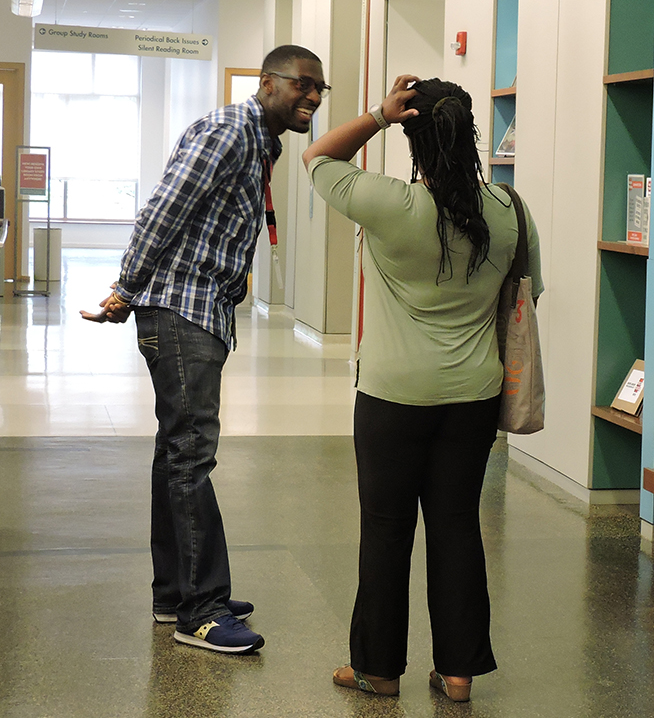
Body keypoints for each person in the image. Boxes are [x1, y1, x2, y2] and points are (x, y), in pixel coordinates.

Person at [303, 74, 543, 701]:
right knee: (458, 525)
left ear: (414, 137)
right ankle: (458, 673)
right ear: (469, 134)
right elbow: (526, 295)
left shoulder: (388, 203)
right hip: (473, 396)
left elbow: (317, 154)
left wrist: (379, 114)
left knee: (385, 529)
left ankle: (379, 670)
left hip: (391, 396)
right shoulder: (509, 209)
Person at [81, 44, 328, 654]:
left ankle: (176, 594)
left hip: (196, 312)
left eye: (321, 90)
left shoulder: (257, 142)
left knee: (175, 456)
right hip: (181, 312)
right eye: (304, 86)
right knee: (192, 457)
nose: (314, 99)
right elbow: (162, 212)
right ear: (269, 83)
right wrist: (126, 286)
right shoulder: (227, 132)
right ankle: (203, 611)